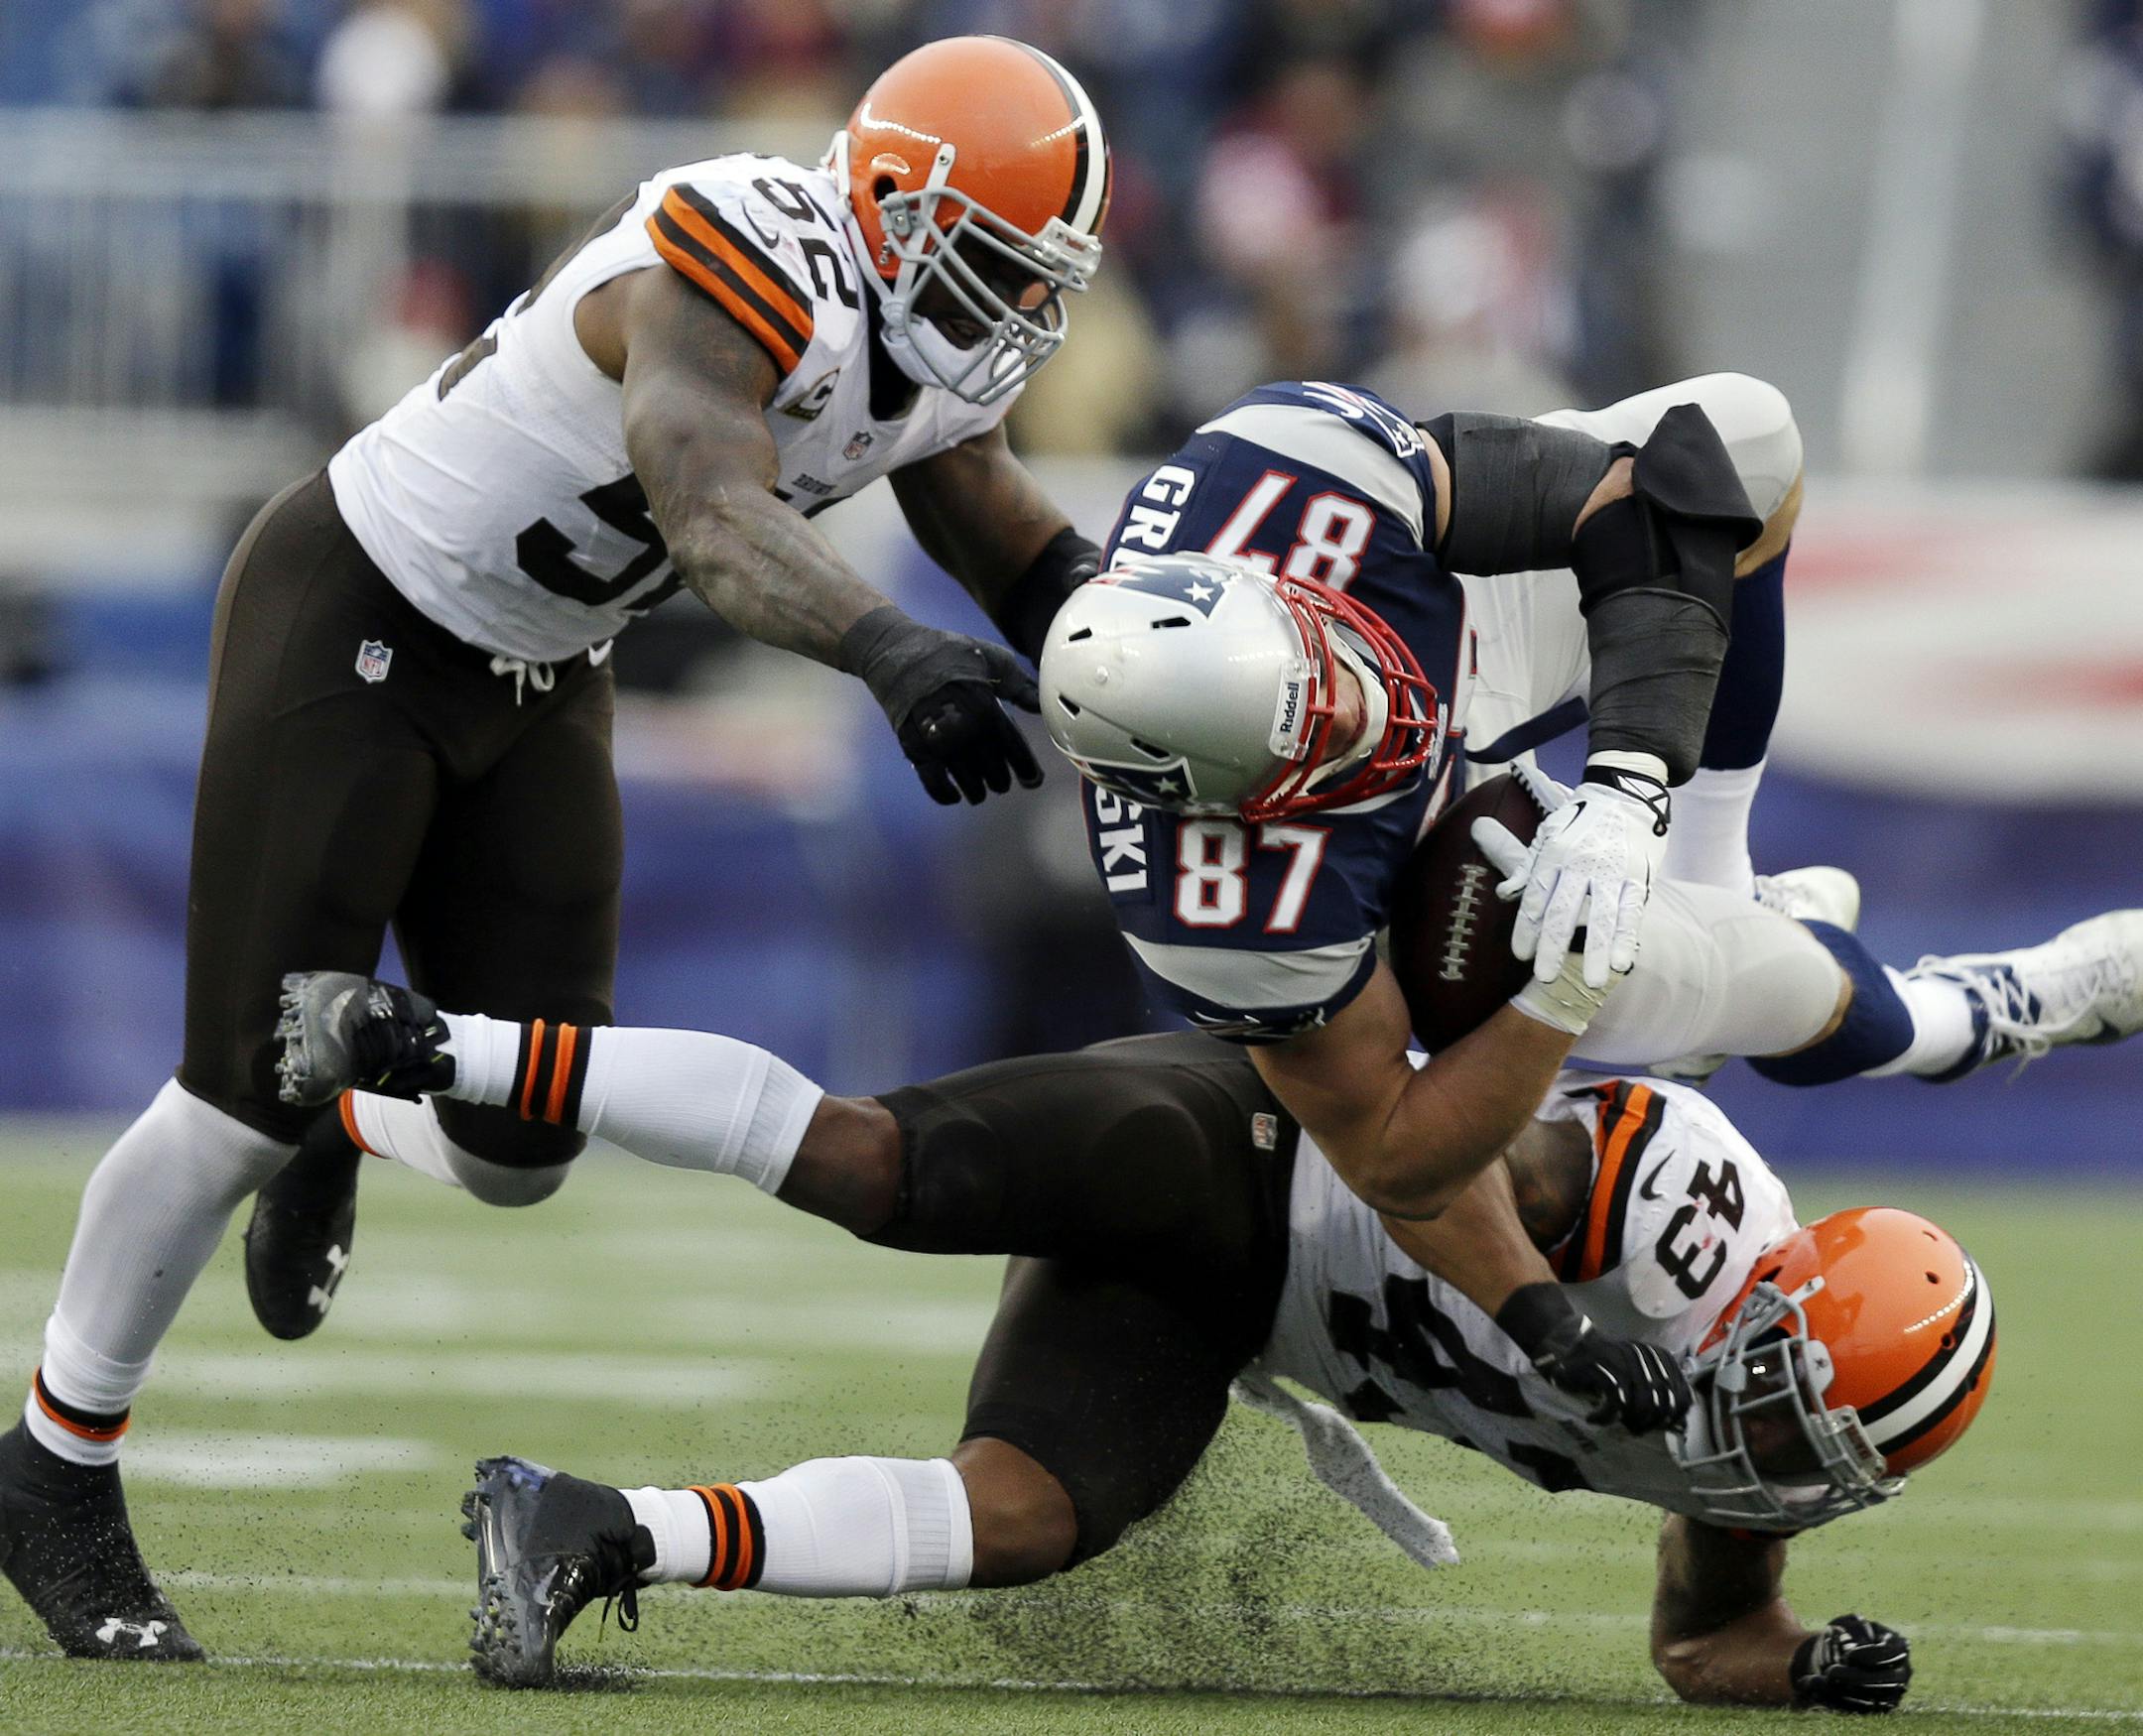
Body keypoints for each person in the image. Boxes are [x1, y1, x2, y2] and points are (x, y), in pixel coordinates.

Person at [0, 36, 1115, 1663]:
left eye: (1031, 279)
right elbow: (710, 507)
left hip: (539, 670)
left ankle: (351, 1128)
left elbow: (1014, 545)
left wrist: (1158, 661)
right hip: (367, 611)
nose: (1004, 309)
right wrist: (892, 652)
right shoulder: (739, 252)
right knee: (245, 1076)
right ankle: (56, 1460)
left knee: (528, 1141)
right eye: (984, 262)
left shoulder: (942, 350)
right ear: (884, 205)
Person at [276, 971, 1988, 1711]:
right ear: (1767, 1306)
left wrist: (1806, 1667)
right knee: (882, 1166)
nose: (1752, 1453)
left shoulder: (1770, 1469)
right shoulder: (1675, 1212)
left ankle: (589, 1527)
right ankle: (431, 1050)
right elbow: (1421, 1148)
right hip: (1241, 1136)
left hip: (1227, 1308)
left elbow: (1701, 1647)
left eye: (1798, 1462)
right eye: (1774, 1410)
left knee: (1024, 1516)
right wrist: (1541, 1306)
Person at [1036, 378, 2143, 1231]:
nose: (1365, 714)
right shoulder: (1225, 920)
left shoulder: (1283, 472)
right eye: (1315, 738)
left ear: (1266, 586)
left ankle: (1716, 868)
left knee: (1743, 432)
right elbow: (1390, 1155)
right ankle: (1978, 1015)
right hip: (1437, 892)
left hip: (1453, 626)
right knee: (1773, 979)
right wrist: (1559, 994)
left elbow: (1652, 485)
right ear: (1228, 806)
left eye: (1322, 675)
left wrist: (1625, 799)